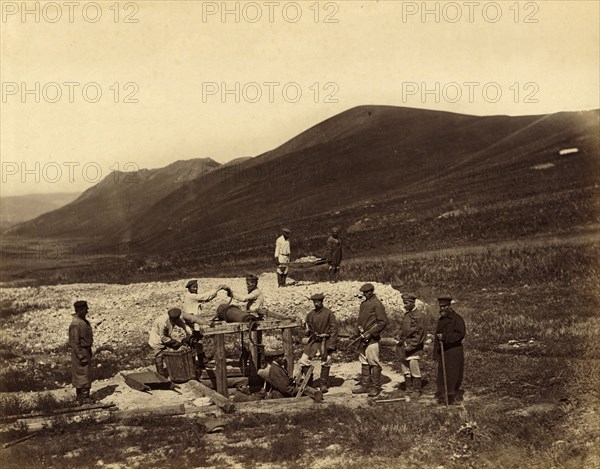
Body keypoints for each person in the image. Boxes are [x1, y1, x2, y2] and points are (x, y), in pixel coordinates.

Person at [352, 283, 389, 397]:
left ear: (372, 291)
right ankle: (365, 385)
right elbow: (360, 321)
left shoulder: (377, 304)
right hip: (362, 338)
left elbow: (382, 322)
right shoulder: (363, 304)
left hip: (372, 339)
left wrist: (371, 333)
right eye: (364, 293)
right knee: (364, 361)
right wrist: (356, 332)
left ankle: (376, 387)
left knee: (373, 362)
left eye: (368, 292)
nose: (366, 294)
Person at [297, 293, 339, 393]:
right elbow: (308, 329)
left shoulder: (329, 313)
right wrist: (307, 331)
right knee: (304, 360)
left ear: (322, 301)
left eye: (318, 302)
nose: (316, 304)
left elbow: (334, 330)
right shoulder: (310, 314)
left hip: (325, 341)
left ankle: (323, 384)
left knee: (327, 360)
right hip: (314, 341)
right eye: (314, 302)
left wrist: (331, 344)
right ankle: (309, 383)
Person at [393, 289, 427, 402]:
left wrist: (411, 346)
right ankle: (409, 389)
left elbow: (420, 334)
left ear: (413, 302)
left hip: (414, 348)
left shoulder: (420, 316)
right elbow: (402, 329)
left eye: (407, 303)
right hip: (404, 347)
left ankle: (417, 390)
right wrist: (398, 335)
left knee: (414, 369)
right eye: (404, 303)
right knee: (405, 369)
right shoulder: (406, 315)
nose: (405, 305)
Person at [434, 296, 466, 405]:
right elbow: (436, 338)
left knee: (454, 374)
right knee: (442, 374)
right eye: (440, 306)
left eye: (444, 306)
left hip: (454, 351)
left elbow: (460, 335)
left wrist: (445, 337)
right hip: (443, 352)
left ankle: (452, 395)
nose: (442, 308)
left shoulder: (457, 319)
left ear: (449, 306)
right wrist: (436, 353)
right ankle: (443, 395)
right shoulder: (441, 320)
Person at [148, 308, 193, 377]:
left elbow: (183, 325)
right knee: (159, 354)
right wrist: (175, 343)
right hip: (157, 338)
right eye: (174, 320)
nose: (175, 321)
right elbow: (163, 337)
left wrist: (190, 333)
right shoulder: (162, 322)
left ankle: (174, 368)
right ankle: (160, 374)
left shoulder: (176, 318)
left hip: (166, 336)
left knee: (170, 352)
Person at [69, 300, 94, 405]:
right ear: (80, 310)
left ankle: (82, 397)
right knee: (82, 374)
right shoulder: (76, 324)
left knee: (86, 373)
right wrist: (81, 356)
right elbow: (74, 342)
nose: (87, 310)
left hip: (85, 350)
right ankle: (83, 397)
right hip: (80, 351)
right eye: (85, 309)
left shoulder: (82, 321)